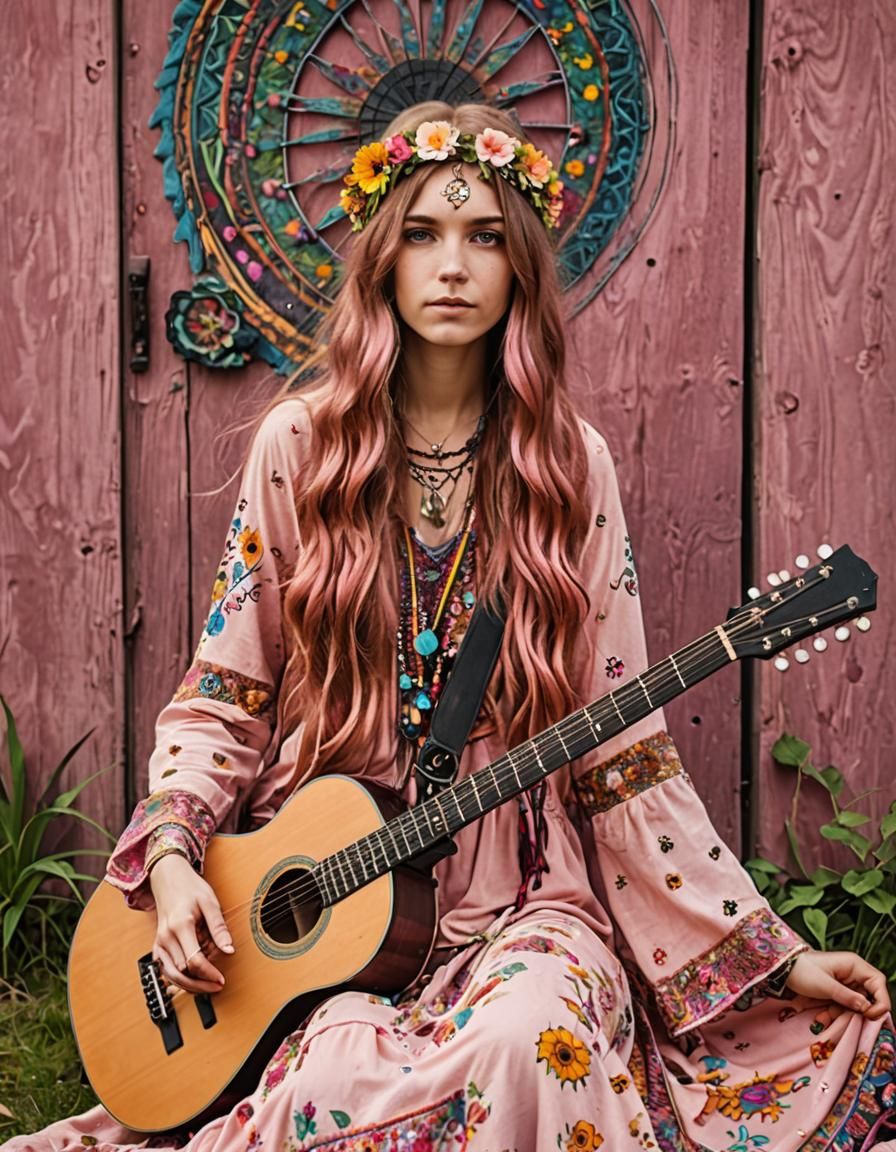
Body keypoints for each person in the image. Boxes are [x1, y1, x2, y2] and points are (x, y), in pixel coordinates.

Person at [8, 101, 893, 1152]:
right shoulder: (300, 449)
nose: (453, 266)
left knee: (530, 1041)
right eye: (423, 234)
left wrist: (769, 956)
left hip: (522, 895)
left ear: (521, 269)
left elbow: (621, 748)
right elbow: (226, 696)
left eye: (485, 238)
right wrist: (173, 858)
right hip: (326, 912)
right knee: (332, 1078)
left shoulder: (565, 468)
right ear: (382, 259)